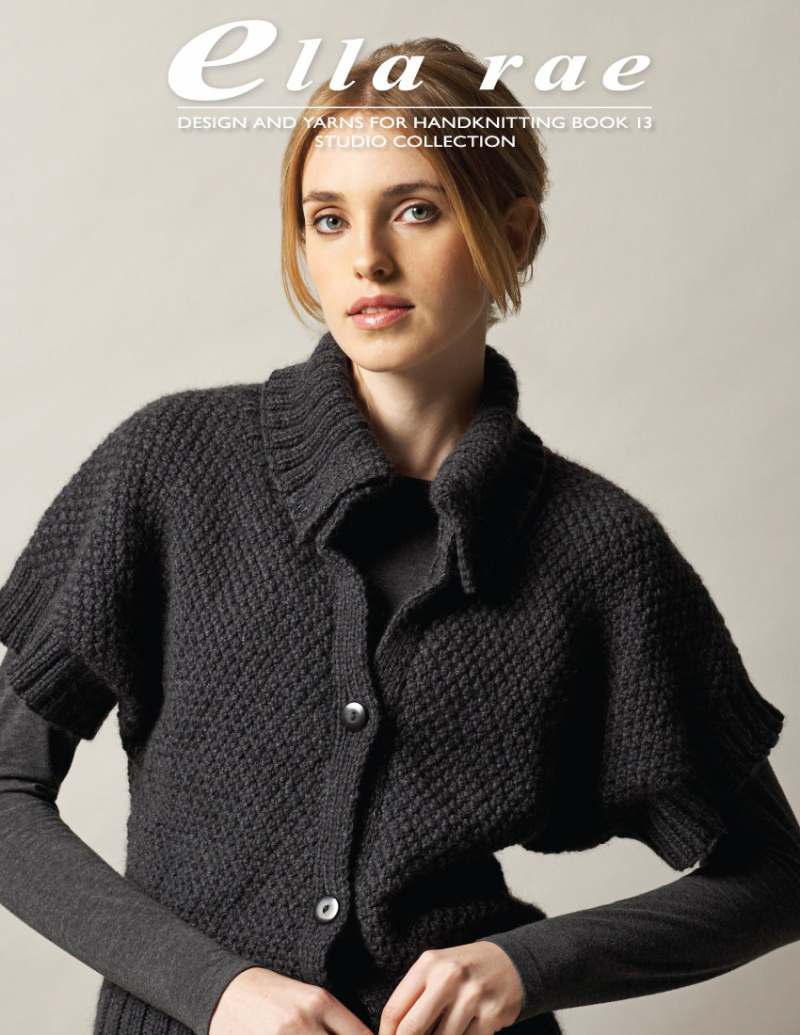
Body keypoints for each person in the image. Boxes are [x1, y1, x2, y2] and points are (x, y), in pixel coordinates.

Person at [1, 36, 799, 1035]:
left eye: (416, 210)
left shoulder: (596, 550)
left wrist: (528, 965)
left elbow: (774, 876)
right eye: (327, 218)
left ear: (515, 232)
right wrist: (214, 988)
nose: (366, 258)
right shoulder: (174, 468)